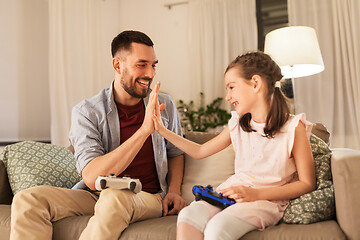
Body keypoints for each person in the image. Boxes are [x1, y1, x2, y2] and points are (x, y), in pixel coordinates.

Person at [10, 30, 187, 240]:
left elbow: (176, 152)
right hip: (94, 195)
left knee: (115, 197)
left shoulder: (163, 106)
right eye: (142, 65)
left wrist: (174, 190)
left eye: (153, 65)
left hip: (147, 197)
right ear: (117, 65)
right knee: (27, 199)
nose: (150, 73)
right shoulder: (87, 112)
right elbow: (93, 178)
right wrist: (144, 131)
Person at [150, 51, 316, 240]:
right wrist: (162, 130)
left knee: (217, 228)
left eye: (231, 87)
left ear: (255, 83)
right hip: (231, 193)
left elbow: (307, 183)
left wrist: (256, 194)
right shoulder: (238, 123)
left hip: (266, 201)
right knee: (188, 215)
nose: (228, 97)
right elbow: (200, 150)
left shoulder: (294, 128)